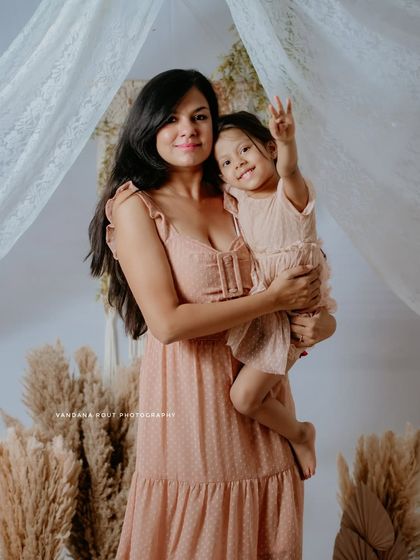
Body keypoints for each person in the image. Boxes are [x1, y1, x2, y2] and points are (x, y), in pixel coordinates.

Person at [87, 69, 336, 559]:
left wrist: (323, 323)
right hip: (191, 411)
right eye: (172, 118)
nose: (189, 129)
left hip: (264, 403)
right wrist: (271, 301)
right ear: (148, 126)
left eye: (200, 116)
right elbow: (168, 323)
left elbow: (300, 255)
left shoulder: (236, 189)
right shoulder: (136, 205)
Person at [214, 101, 337, 481]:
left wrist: (287, 140)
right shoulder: (241, 199)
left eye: (245, 149)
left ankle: (301, 433)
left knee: (244, 398)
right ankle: (288, 436)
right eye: (227, 163)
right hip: (267, 306)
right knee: (247, 395)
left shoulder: (291, 194)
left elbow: (290, 168)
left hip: (297, 311)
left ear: (267, 147)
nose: (239, 164)